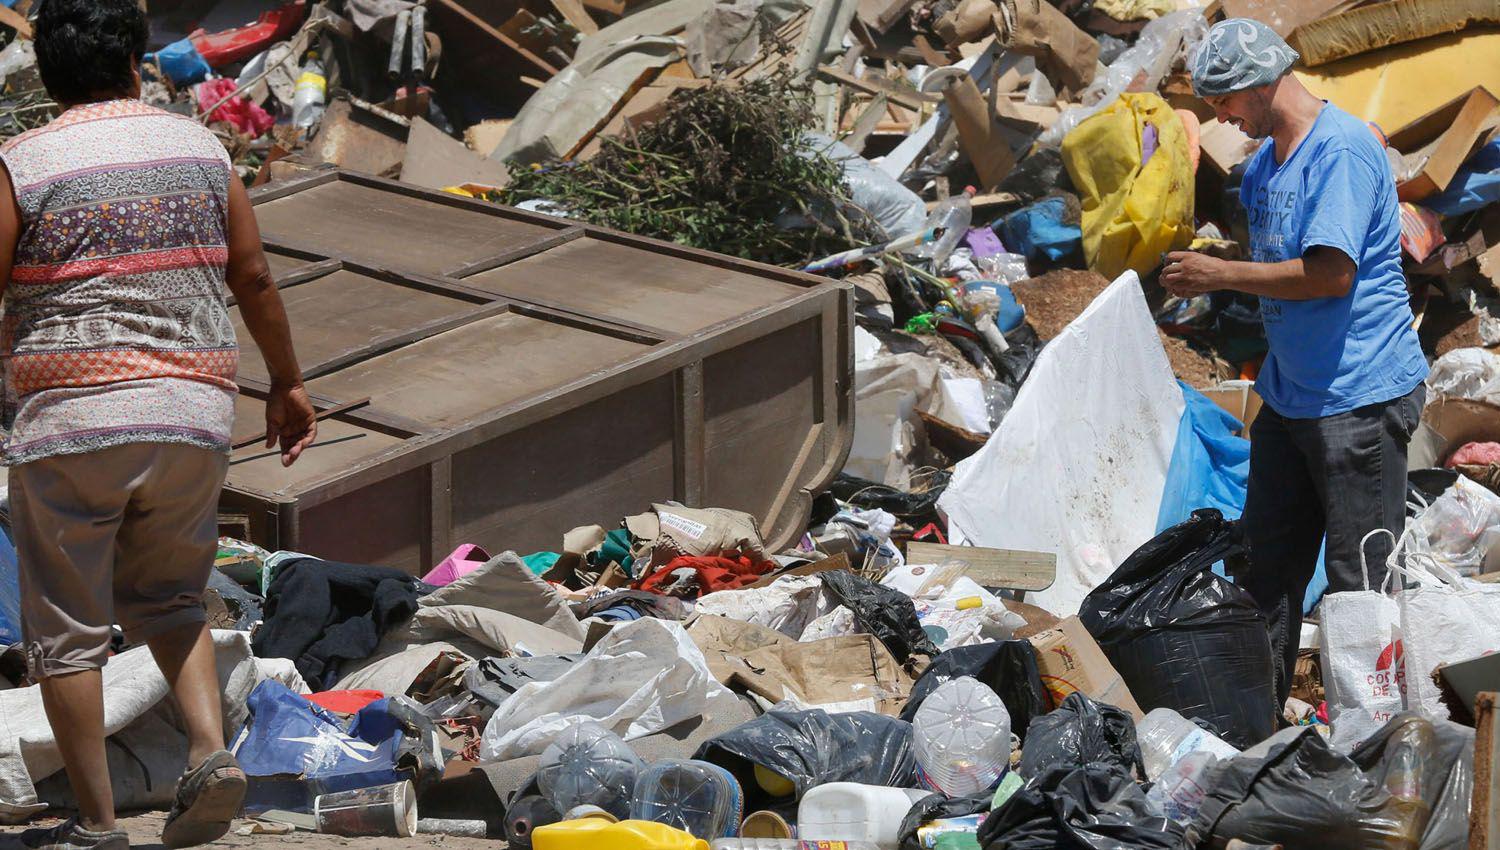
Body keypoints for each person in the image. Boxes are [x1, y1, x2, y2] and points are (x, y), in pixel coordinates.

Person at [0, 2, 318, 848]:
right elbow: (252, 278)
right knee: (170, 599)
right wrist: (286, 385)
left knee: (67, 632)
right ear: (137, 64)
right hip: (190, 412)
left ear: (47, 77)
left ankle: (99, 824)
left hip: (70, 420)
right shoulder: (204, 149)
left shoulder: (23, 162)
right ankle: (211, 753)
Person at [1163, 18, 1427, 708]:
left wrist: (1222, 275)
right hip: (1291, 396)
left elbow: (1330, 275)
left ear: (1256, 85)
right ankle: (1254, 727)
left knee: (1359, 583)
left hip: (1358, 398)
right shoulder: (1264, 165)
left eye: (1222, 101)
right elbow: (1269, 258)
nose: (1220, 117)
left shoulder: (1338, 152)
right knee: (1266, 566)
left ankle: (1367, 750)